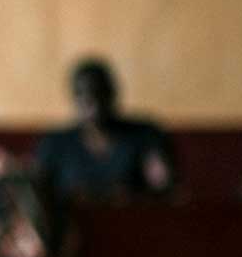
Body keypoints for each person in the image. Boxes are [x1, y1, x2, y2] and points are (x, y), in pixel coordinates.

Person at [32, 57, 174, 218]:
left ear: (112, 94)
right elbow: (36, 191)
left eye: (100, 94)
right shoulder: (56, 143)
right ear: (74, 98)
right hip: (74, 232)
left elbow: (164, 189)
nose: (94, 104)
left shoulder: (144, 135)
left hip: (133, 225)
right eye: (84, 95)